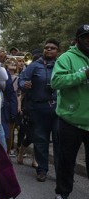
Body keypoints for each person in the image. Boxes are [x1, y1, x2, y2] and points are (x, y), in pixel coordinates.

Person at [50, 25, 89, 199]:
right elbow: (56, 82)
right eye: (86, 37)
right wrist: (83, 74)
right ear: (77, 39)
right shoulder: (67, 58)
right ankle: (62, 194)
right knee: (67, 161)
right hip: (70, 120)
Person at [18, 39, 60, 182]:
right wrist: (25, 84)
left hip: (57, 108)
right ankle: (42, 170)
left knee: (59, 140)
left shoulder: (61, 65)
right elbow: (21, 80)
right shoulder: (35, 66)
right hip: (38, 108)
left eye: (52, 48)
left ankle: (62, 172)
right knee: (41, 140)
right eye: (46, 47)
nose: (48, 50)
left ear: (57, 51)